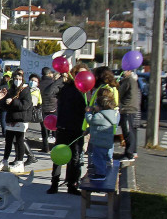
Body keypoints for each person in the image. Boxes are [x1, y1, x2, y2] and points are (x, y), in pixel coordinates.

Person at [49, 63, 88, 195]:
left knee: (75, 158)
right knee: (58, 156)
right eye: (78, 73)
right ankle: (54, 184)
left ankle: (72, 185)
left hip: (78, 129)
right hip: (63, 126)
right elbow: (49, 92)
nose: (81, 77)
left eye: (84, 74)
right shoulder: (66, 87)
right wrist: (61, 77)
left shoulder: (86, 91)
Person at [0, 69, 32, 173]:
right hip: (11, 119)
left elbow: (25, 105)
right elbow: (4, 106)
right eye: (16, 78)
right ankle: (5, 160)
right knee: (8, 141)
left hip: (20, 119)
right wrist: (1, 100)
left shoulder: (25, 90)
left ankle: (19, 162)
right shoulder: (11, 90)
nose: (17, 80)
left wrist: (13, 101)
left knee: (19, 140)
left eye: (20, 79)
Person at [85, 88, 119, 182]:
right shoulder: (110, 114)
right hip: (105, 141)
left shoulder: (100, 115)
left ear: (100, 106)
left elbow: (91, 120)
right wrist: (88, 130)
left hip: (99, 142)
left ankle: (100, 174)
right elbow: (96, 126)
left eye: (96, 104)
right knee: (102, 158)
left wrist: (88, 112)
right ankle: (102, 171)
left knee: (97, 158)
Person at [118, 68, 141, 162]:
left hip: (127, 109)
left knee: (128, 131)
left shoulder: (128, 81)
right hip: (133, 109)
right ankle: (133, 151)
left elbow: (120, 93)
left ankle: (129, 154)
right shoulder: (134, 82)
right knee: (132, 130)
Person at [39, 66, 62, 152]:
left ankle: (45, 147)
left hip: (42, 109)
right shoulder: (54, 83)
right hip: (53, 108)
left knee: (44, 129)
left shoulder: (39, 84)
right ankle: (56, 147)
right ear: (49, 74)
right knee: (55, 128)